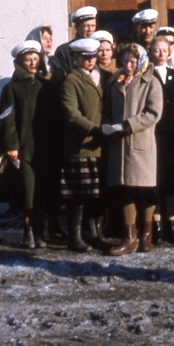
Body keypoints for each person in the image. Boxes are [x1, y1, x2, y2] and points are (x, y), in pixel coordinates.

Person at [103, 43, 164, 256]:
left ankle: (146, 235)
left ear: (141, 61)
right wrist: (109, 125)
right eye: (125, 61)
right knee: (125, 190)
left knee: (145, 191)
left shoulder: (151, 82)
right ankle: (129, 238)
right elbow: (109, 108)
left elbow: (154, 113)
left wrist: (130, 124)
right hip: (119, 145)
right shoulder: (115, 82)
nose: (128, 65)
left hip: (141, 144)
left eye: (132, 61)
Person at [0, 40, 60, 249]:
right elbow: (7, 120)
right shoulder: (11, 88)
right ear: (20, 62)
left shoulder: (48, 87)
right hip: (24, 148)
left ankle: (39, 229)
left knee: (43, 190)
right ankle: (27, 230)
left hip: (45, 148)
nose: (33, 63)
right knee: (28, 190)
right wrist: (11, 144)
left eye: (36, 59)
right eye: (28, 60)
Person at [59, 38, 105, 253]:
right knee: (77, 195)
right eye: (86, 58)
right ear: (76, 58)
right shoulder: (71, 80)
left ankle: (93, 233)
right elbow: (71, 113)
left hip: (99, 145)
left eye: (93, 57)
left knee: (93, 194)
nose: (90, 61)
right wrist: (92, 129)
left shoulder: (100, 77)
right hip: (80, 145)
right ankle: (75, 236)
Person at [150, 32, 174, 243]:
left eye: (165, 51)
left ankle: (171, 224)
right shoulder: (147, 75)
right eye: (157, 50)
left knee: (173, 181)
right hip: (154, 135)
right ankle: (156, 225)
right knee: (157, 180)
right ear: (151, 52)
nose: (161, 54)